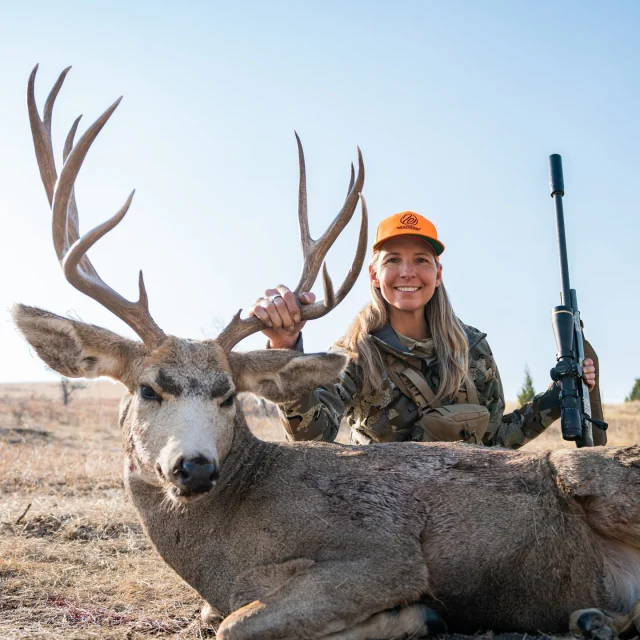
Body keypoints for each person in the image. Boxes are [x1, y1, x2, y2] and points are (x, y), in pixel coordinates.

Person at [249, 211, 605, 448]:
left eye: (421, 260)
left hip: (465, 516)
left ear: (438, 273)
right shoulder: (355, 353)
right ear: (374, 275)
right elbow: (312, 437)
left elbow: (495, 441)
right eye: (393, 261)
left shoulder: (472, 348)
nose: (407, 272)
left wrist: (559, 397)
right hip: (385, 521)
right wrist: (285, 347)